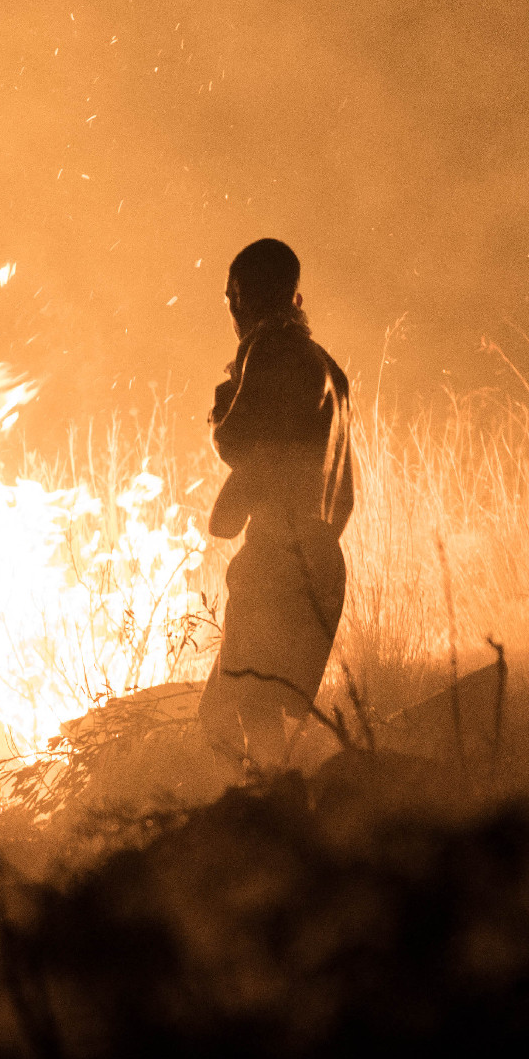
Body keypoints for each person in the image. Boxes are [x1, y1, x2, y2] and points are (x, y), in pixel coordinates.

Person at [198, 239, 356, 766]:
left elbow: (242, 440)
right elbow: (341, 493)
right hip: (316, 561)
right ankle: (283, 811)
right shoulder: (328, 367)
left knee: (243, 716)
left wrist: (224, 407)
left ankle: (274, 820)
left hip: (276, 561)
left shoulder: (271, 352)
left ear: (241, 296)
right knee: (246, 711)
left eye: (230, 300)